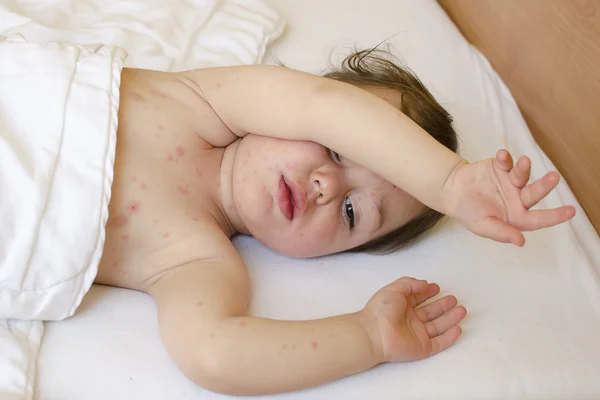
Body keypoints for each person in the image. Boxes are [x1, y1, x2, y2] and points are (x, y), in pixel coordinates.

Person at [94, 49, 575, 395]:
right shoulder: (198, 100)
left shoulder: (196, 261)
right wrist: (447, 182)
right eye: (338, 148)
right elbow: (319, 103)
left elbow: (214, 354)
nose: (326, 184)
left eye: (351, 212)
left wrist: (369, 337)